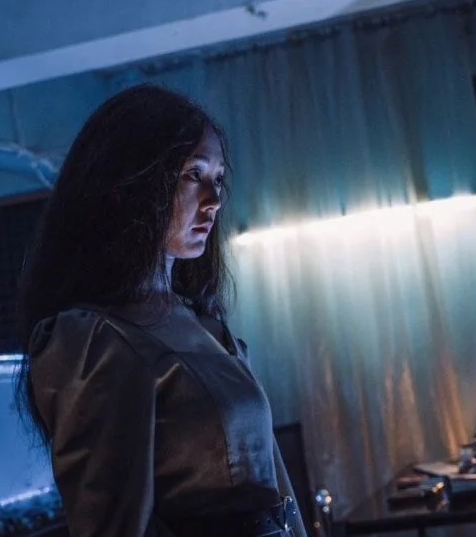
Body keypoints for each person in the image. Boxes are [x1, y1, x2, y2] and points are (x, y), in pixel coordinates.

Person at [15, 85, 308, 537]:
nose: (214, 199)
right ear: (129, 183)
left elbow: (277, 491)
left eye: (218, 178)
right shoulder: (93, 339)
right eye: (193, 174)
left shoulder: (204, 325)